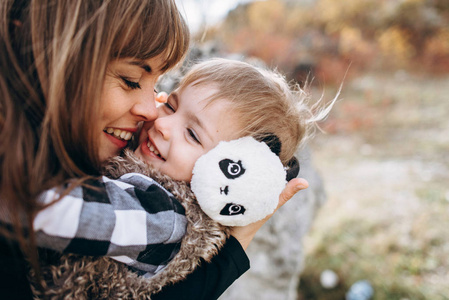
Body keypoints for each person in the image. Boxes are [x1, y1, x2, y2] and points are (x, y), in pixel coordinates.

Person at [0, 1, 304, 299]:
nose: (155, 117)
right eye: (169, 105)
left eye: (192, 135)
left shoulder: (165, 214)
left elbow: (60, 215)